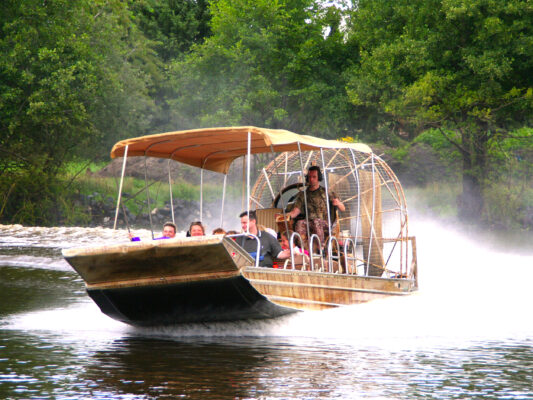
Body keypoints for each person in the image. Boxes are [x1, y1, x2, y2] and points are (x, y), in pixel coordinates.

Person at [288, 165, 345, 245]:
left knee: (316, 222)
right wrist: (284, 216)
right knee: (299, 223)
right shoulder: (303, 195)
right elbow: (295, 212)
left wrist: (338, 203)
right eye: (310, 177)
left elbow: (343, 208)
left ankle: (321, 249)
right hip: (309, 222)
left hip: (325, 224)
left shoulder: (326, 192)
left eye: (314, 177)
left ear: (319, 178)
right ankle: (305, 249)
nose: (311, 179)